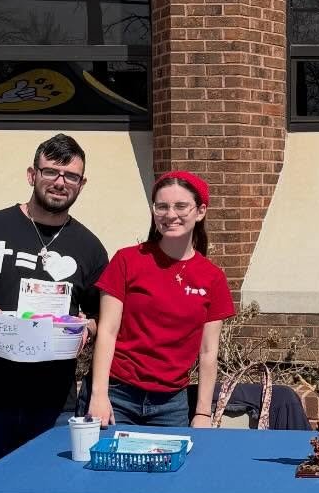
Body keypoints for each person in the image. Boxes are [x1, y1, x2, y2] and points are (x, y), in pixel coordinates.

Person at [0, 134, 108, 479]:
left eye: (70, 176)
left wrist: (86, 328)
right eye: (51, 172)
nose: (60, 182)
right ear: (32, 174)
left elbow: (103, 318)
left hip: (54, 404)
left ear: (81, 183)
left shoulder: (90, 248)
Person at [88, 171, 236, 428]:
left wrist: (202, 412)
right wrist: (99, 395)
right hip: (117, 396)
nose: (170, 214)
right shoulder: (126, 260)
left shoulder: (213, 278)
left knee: (172, 468)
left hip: (172, 404)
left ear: (200, 211)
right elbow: (108, 331)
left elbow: (208, 351)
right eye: (162, 206)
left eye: (181, 206)